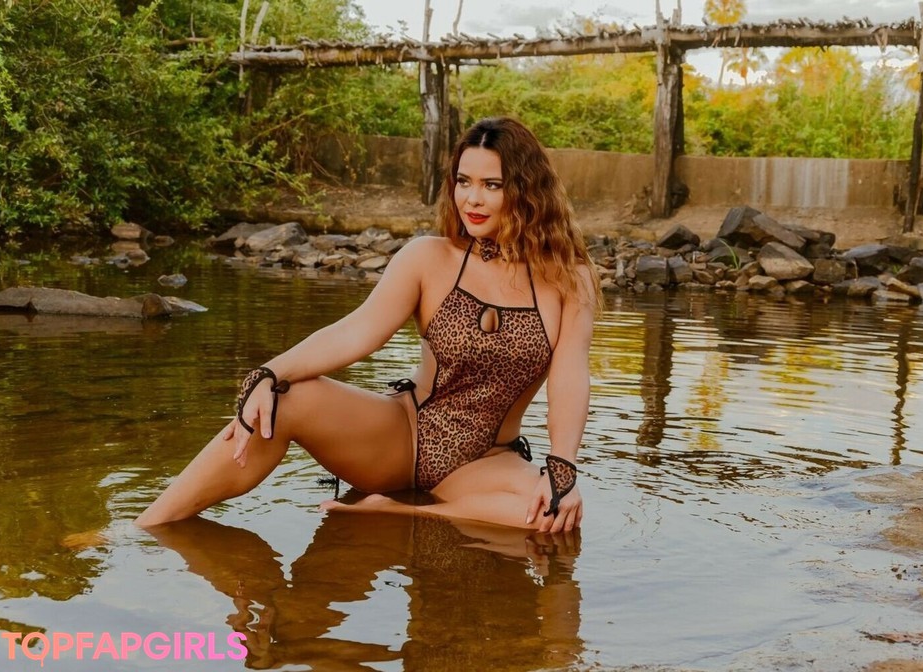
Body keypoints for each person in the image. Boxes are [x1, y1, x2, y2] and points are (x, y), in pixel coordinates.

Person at [135, 116, 599, 533]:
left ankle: (399, 512)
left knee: (555, 513)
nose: (472, 199)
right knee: (280, 398)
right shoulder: (428, 257)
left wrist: (562, 467)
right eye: (463, 181)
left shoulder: (569, 278)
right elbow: (359, 331)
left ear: (526, 189)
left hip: (484, 462)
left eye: (491, 185)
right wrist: (268, 372)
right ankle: (148, 525)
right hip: (400, 437)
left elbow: (570, 375)